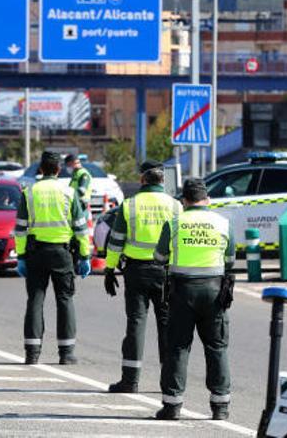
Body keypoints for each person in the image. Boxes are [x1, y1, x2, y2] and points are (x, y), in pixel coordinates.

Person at [153, 178, 235, 421]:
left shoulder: (175, 222)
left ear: (184, 201)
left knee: (178, 347)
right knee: (216, 347)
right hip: (214, 293)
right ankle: (220, 407)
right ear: (207, 200)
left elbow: (159, 257)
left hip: (182, 292)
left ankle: (172, 406)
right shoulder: (223, 223)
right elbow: (230, 261)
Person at [103, 160, 181, 393]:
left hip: (136, 271)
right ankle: (169, 382)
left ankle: (130, 381)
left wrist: (109, 269)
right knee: (167, 326)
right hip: (166, 273)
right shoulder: (176, 206)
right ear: (163, 180)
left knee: (136, 324)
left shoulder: (130, 205)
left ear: (142, 179)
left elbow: (116, 241)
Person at [15, 151, 92, 365]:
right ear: (58, 169)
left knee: (35, 300)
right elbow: (80, 228)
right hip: (62, 253)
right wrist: (85, 255)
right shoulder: (68, 192)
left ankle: (32, 353)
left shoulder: (29, 192)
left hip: (36, 253)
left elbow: (20, 228)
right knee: (65, 300)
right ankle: (66, 354)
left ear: (41, 170)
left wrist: (21, 256)